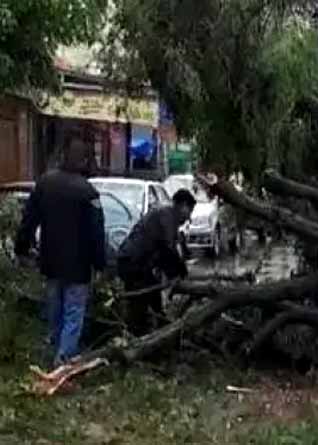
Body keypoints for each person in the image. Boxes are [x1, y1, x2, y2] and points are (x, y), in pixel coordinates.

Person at [15, 138, 106, 366]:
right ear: (84, 160)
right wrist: (100, 265)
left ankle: (54, 352)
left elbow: (28, 221)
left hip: (51, 262)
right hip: (78, 267)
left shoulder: (44, 184)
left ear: (63, 156)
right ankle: (63, 360)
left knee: (54, 310)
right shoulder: (88, 192)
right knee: (73, 313)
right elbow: (97, 233)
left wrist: (22, 249)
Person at [116, 189, 196, 335]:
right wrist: (179, 270)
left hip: (138, 264)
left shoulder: (166, 216)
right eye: (189, 211)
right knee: (140, 304)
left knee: (154, 299)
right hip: (132, 263)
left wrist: (176, 270)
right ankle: (137, 340)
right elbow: (167, 248)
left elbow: (165, 252)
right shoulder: (166, 216)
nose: (189, 217)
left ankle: (159, 332)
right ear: (183, 206)